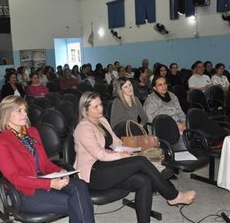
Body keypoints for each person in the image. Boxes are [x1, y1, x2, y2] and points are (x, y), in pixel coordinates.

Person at [74, 92, 196, 223]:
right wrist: (121, 156)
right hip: (93, 174)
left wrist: (131, 150)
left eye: (101, 105)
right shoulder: (83, 128)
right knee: (141, 162)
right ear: (85, 110)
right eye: (95, 107)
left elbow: (115, 143)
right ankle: (173, 196)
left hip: (107, 167)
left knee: (143, 181)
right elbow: (100, 154)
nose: (100, 109)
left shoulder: (102, 120)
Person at [0, 96, 94, 223]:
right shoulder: (1, 142)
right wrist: (50, 184)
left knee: (80, 186)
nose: (25, 114)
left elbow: (45, 163)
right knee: (80, 202)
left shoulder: (32, 132)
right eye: (19, 111)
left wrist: (61, 171)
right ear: (6, 114)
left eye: (25, 110)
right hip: (25, 191)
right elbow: (16, 178)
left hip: (44, 177)